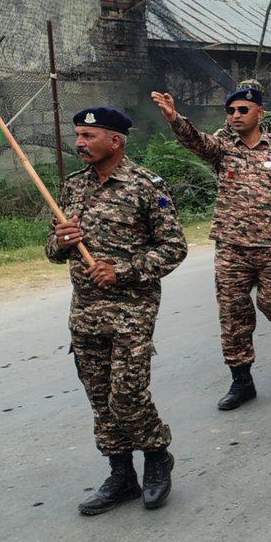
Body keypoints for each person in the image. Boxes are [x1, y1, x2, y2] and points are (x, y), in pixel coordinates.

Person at [47, 106, 187, 515]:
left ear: (116, 141)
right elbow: (52, 250)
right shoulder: (73, 186)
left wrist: (122, 271)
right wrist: (62, 240)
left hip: (131, 310)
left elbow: (174, 248)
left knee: (126, 395)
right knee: (100, 400)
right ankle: (121, 475)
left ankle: (157, 455)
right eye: (78, 135)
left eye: (89, 136)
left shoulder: (146, 185)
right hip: (85, 313)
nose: (79, 143)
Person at [151, 85, 271, 409]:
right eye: (231, 111)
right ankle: (242, 381)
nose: (235, 116)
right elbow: (196, 141)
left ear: (259, 113)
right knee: (233, 314)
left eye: (242, 110)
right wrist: (174, 118)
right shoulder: (222, 146)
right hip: (232, 246)